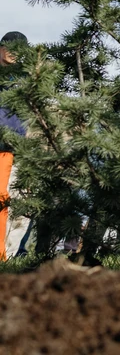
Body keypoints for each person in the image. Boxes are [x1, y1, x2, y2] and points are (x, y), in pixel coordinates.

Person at [0, 32, 29, 261]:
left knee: (16, 206)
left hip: (16, 149)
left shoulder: (26, 80)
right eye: (8, 47)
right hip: (2, 148)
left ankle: (7, 257)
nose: (12, 52)